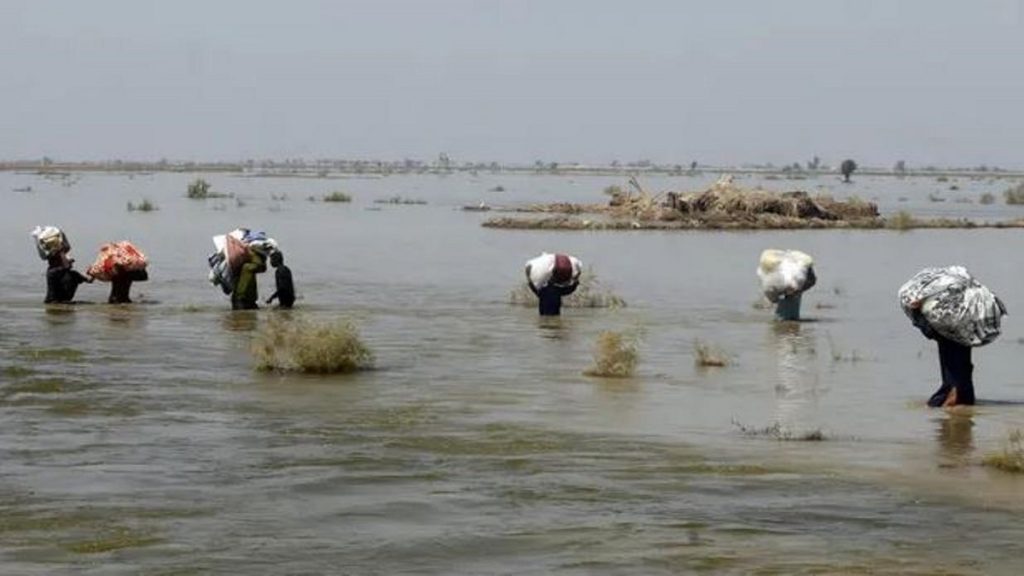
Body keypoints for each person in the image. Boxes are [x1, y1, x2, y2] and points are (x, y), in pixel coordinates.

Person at [911, 303, 974, 407]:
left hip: (952, 388)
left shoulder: (945, 331)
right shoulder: (966, 331)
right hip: (966, 389)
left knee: (936, 408)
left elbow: (929, 332)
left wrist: (916, 313)